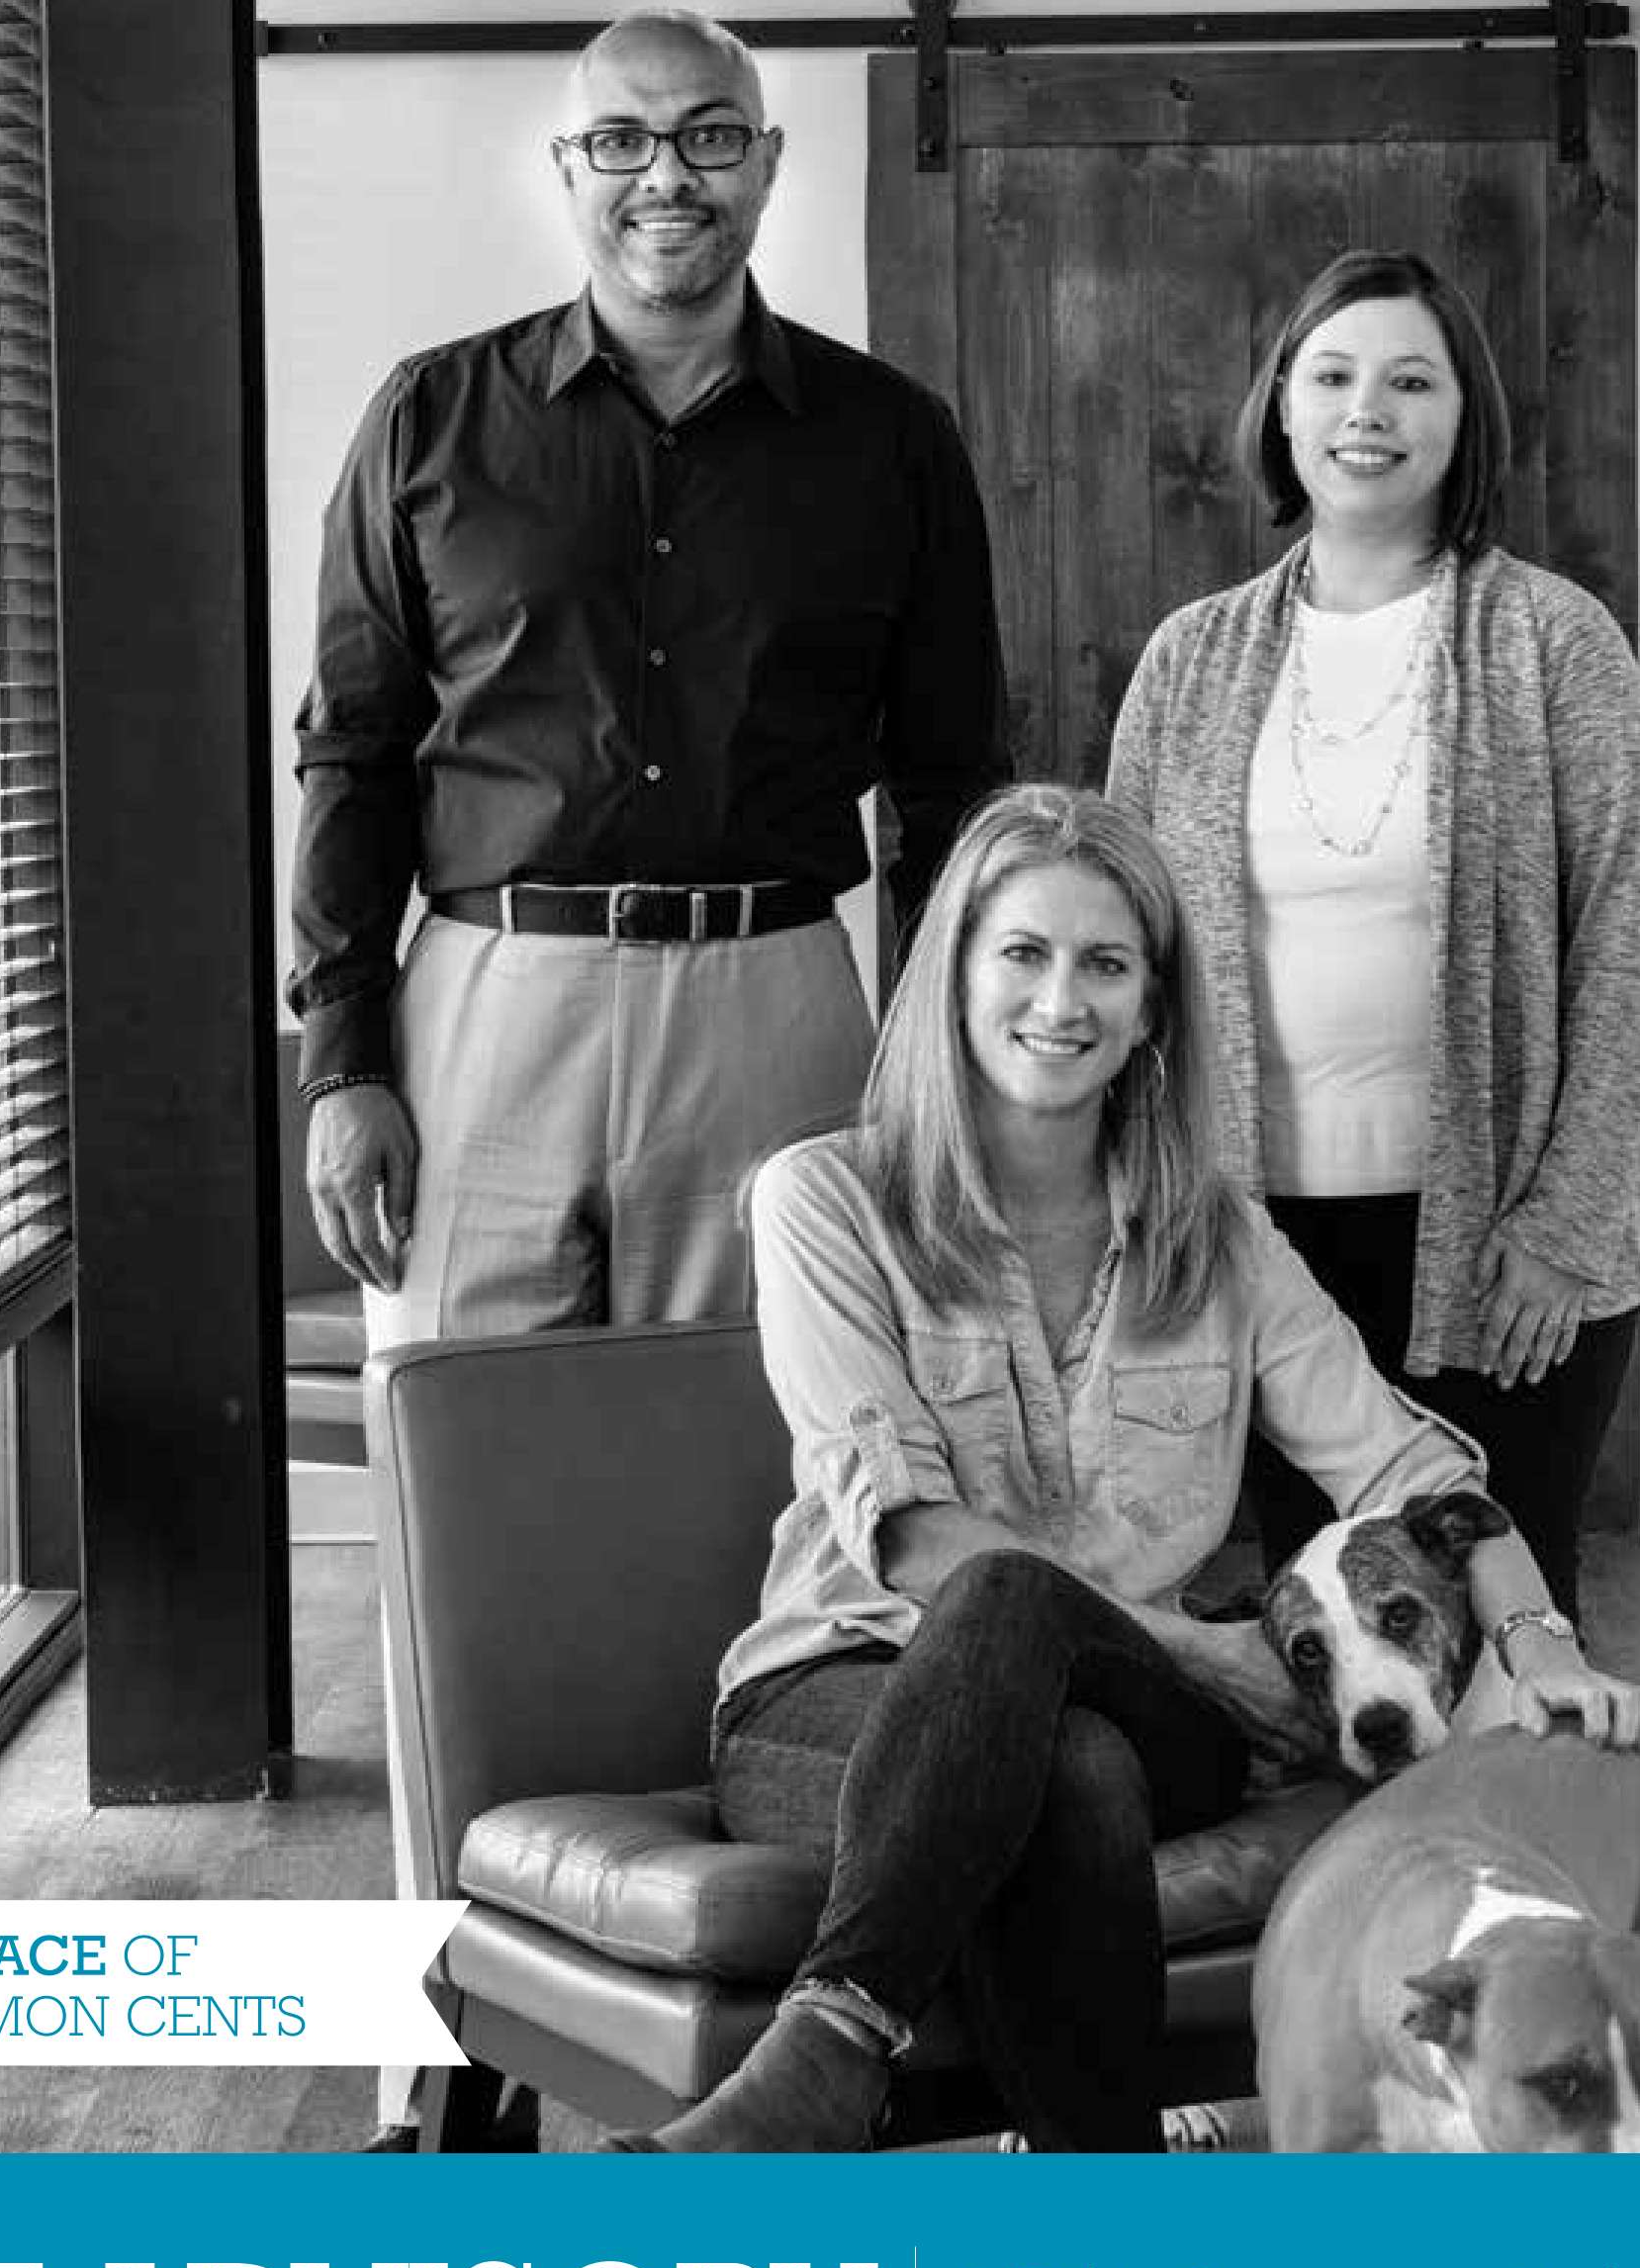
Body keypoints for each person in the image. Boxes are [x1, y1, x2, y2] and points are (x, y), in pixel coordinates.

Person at [286, 10, 1009, 2144]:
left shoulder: (889, 441)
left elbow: (950, 786)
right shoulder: (432, 418)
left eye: (706, 137)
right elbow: (349, 754)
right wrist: (342, 1055)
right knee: (464, 1506)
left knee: (772, 1499)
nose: (663, 177)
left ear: (767, 164)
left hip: (783, 995)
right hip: (484, 1008)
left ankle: (735, 1996)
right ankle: (453, 2036)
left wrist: (942, 1076)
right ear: (567, 168)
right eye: (620, 142)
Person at [612, 786, 1640, 2158]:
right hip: (835, 1698)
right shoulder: (822, 1200)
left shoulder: (1218, 1239)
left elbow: (1414, 1468)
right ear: (954, 976)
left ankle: (819, 2069)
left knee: (1065, 1699)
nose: (1062, 1001)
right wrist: (1204, 1652)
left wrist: (1543, 1642)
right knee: (1056, 1729)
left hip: (1150, 1709)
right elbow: (918, 1543)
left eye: (1106, 965)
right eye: (1023, 953)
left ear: (1152, 1009)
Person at [1108, 249, 1640, 1627]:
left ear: (1464, 417)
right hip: (1258, 1240)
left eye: (1413, 380)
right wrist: (1142, 1202)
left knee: (1510, 1623)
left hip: (1504, 1248)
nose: (1370, 410)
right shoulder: (1190, 658)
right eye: (1335, 375)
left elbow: (1632, 939)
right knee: (1326, 1628)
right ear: (1283, 409)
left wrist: (1566, 1223)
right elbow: (1123, 941)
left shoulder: (1555, 641)